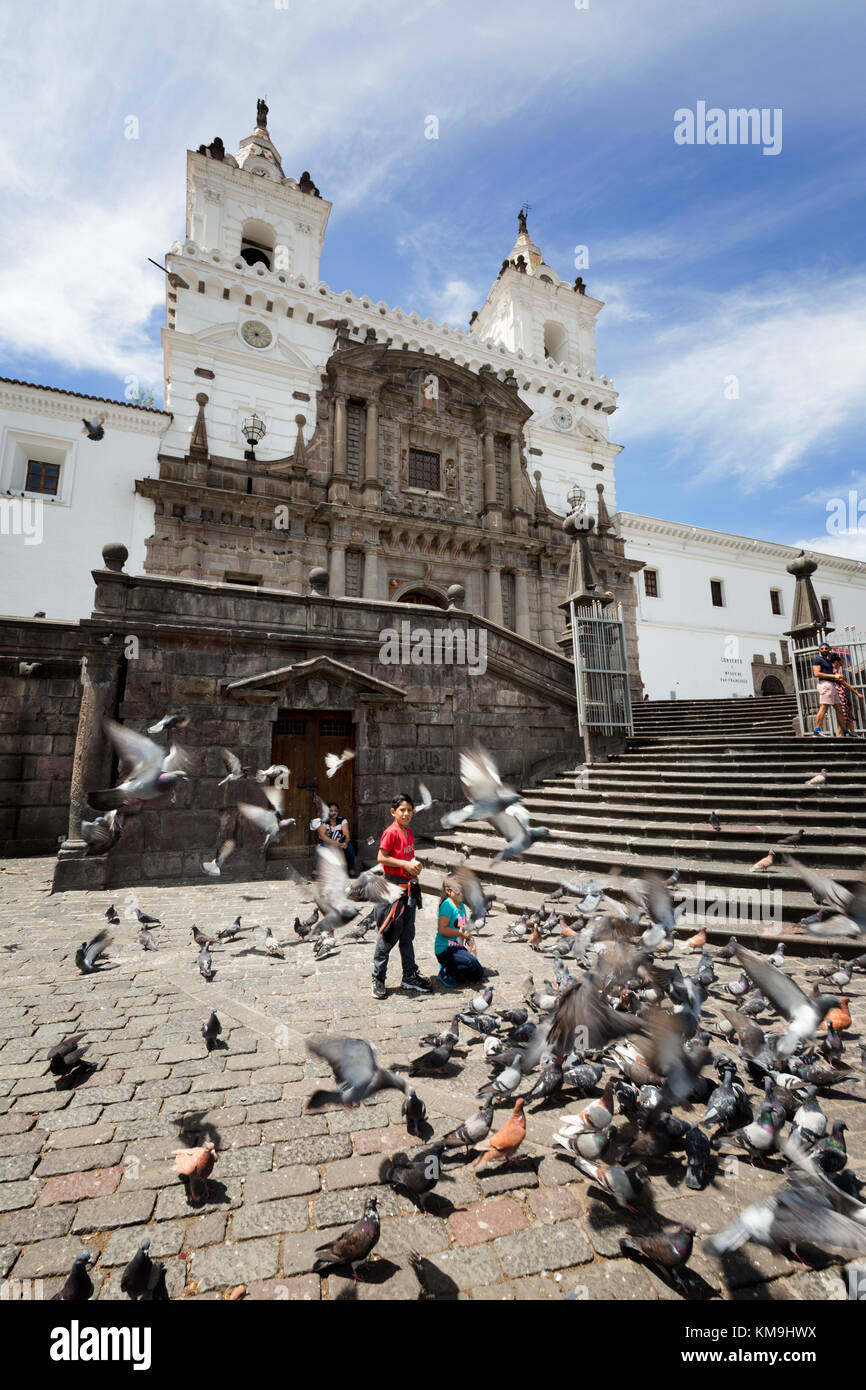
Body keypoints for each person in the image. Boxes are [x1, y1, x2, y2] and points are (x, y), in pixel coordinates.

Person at [370, 793, 432, 999]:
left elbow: (407, 857)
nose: (406, 813)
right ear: (393, 812)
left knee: (407, 934)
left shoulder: (409, 833)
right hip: (392, 888)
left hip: (409, 889)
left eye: (409, 810)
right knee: (387, 934)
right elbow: (382, 857)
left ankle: (409, 976)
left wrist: (414, 867)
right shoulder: (391, 832)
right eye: (402, 810)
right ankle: (378, 979)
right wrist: (406, 865)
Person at [435, 875, 484, 988]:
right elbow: (442, 929)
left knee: (478, 974)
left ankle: (453, 970)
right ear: (448, 890)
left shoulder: (461, 905)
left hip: (457, 947)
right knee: (472, 963)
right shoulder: (447, 905)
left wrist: (469, 938)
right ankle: (446, 972)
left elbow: (463, 927)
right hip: (445, 949)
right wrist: (460, 934)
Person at [812, 642, 844, 735]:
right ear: (819, 650)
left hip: (832, 685)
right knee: (823, 708)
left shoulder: (829, 660)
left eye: (826, 648)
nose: (824, 650)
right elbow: (816, 673)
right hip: (825, 685)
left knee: (839, 708)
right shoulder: (817, 659)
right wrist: (834, 676)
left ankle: (845, 731)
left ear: (828, 649)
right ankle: (816, 730)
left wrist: (837, 675)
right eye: (822, 648)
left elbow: (836, 667)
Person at [317, 802, 355, 874]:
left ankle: (351, 869)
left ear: (338, 812)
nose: (334, 812)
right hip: (327, 844)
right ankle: (316, 870)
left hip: (339, 843)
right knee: (320, 847)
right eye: (331, 811)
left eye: (335, 810)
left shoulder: (342, 820)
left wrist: (345, 842)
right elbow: (323, 836)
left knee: (349, 846)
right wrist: (335, 843)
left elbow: (346, 835)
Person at [832, 655, 863, 737]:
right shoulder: (835, 672)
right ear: (836, 662)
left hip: (837, 695)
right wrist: (857, 693)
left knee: (847, 715)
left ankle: (853, 733)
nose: (841, 665)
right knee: (843, 716)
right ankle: (840, 736)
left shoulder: (829, 671)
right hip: (839, 695)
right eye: (840, 663)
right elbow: (845, 684)